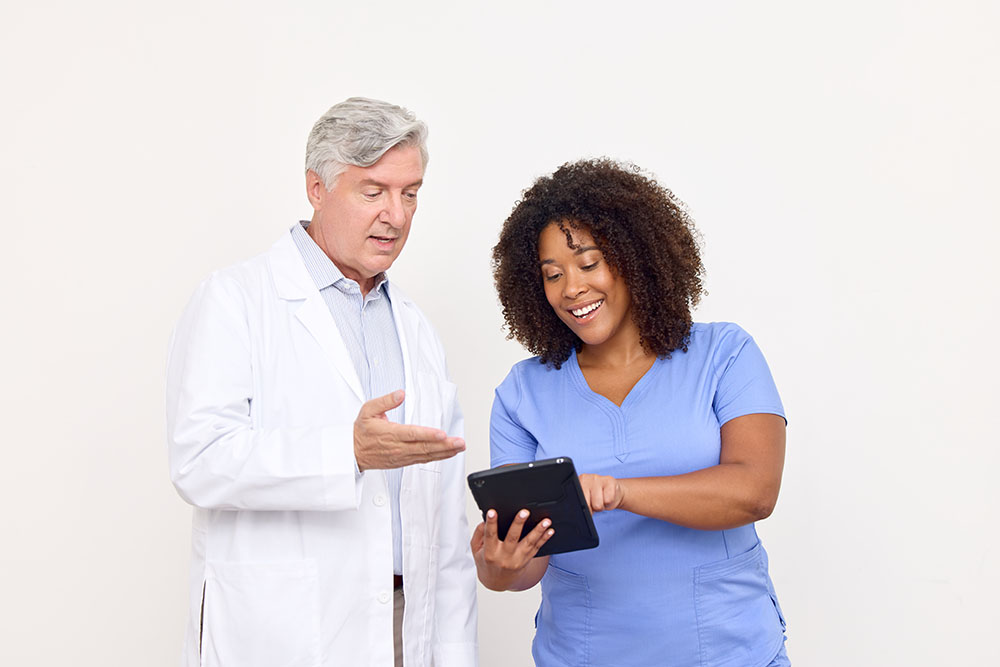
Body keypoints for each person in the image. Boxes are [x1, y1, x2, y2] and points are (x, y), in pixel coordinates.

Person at [166, 97, 478, 667]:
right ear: (316, 188)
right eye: (373, 191)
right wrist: (348, 451)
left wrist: (454, 653)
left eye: (410, 193)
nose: (397, 214)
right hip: (286, 629)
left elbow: (444, 523)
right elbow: (199, 460)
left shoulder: (416, 330)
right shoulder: (235, 300)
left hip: (408, 627)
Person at [472, 158, 789, 666]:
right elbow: (512, 567)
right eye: (552, 274)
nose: (571, 288)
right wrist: (502, 563)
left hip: (730, 652)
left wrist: (622, 492)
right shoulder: (522, 394)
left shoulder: (724, 355)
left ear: (634, 257)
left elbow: (754, 492)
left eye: (589, 263)